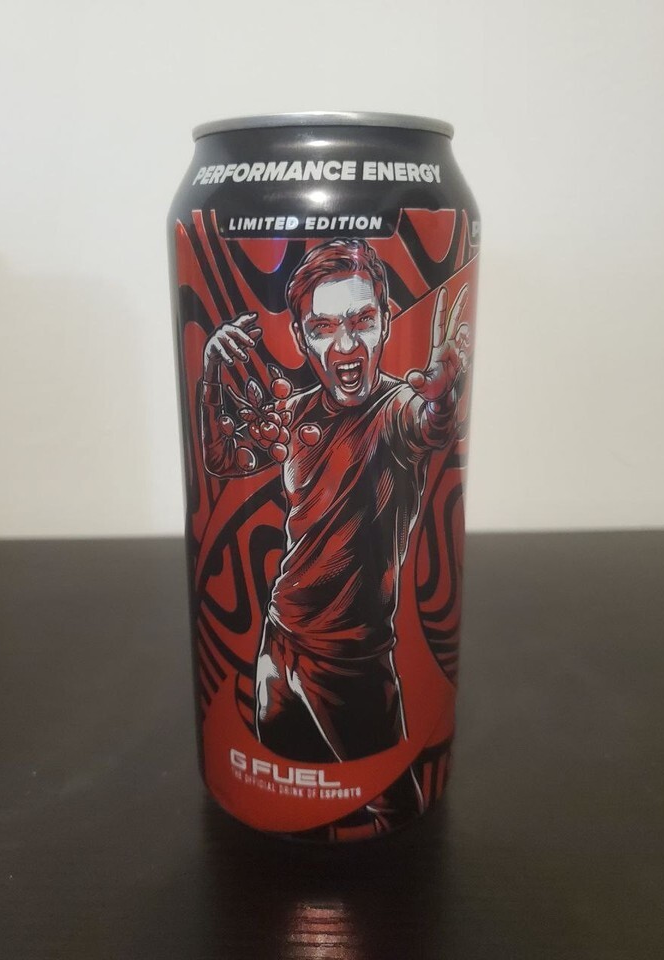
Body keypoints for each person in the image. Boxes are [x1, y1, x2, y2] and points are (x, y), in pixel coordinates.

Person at [200, 238, 470, 830]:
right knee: (281, 782)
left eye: (362, 320)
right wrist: (212, 373)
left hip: (353, 666)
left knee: (398, 811)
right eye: (322, 327)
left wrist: (443, 394)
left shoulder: (397, 409)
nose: (345, 346)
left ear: (386, 322)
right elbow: (221, 459)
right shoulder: (297, 414)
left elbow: (429, 425)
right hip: (278, 644)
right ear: (301, 339)